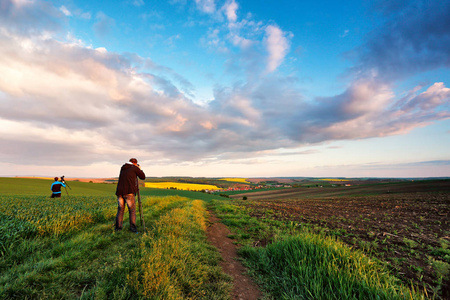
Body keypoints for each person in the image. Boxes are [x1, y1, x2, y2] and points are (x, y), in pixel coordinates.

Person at [115, 158, 146, 232]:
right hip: (129, 192)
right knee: (132, 210)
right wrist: (139, 169)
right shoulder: (134, 168)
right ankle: (133, 229)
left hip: (119, 192)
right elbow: (143, 177)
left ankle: (118, 229)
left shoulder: (123, 168)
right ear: (135, 163)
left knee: (120, 210)